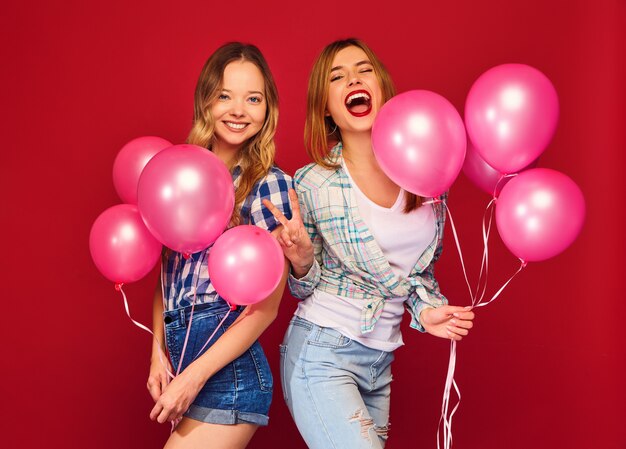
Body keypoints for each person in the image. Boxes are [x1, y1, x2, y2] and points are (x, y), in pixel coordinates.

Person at [263, 38, 475, 449]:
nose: (353, 80)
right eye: (337, 77)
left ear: (381, 87)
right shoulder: (313, 183)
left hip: (381, 362)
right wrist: (302, 260)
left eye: (364, 70)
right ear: (326, 106)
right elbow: (302, 287)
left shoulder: (426, 172)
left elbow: (419, 274)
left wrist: (427, 312)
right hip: (322, 351)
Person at [146, 42, 293, 449]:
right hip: (180, 354)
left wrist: (193, 378)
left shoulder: (271, 186)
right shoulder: (182, 174)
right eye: (224, 95)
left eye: (253, 98)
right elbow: (166, 276)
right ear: (206, 101)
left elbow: (266, 307)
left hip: (228, 371)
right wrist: (157, 353)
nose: (238, 109)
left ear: (268, 109)